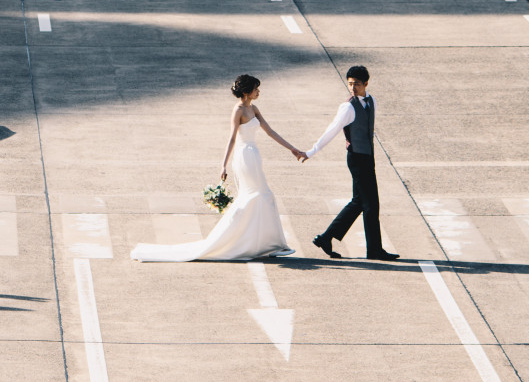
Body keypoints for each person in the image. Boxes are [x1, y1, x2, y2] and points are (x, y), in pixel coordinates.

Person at [131, 74, 306, 262]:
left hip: (253, 155)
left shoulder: (254, 108)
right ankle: (267, 244)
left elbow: (270, 132)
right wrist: (223, 164)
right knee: (259, 196)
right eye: (256, 88)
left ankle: (269, 243)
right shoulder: (238, 110)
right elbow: (231, 138)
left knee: (262, 197)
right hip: (244, 156)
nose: (259, 91)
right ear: (247, 92)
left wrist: (292, 149)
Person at [308, 65, 399, 262]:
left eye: (357, 84)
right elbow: (332, 130)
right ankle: (374, 250)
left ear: (366, 83)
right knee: (371, 205)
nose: (353, 88)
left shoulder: (371, 101)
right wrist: (312, 151)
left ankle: (326, 237)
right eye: (350, 84)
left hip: (367, 157)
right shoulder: (347, 107)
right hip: (356, 158)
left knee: (359, 202)